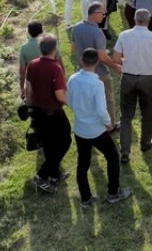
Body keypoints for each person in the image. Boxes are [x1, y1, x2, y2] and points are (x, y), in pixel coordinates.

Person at [68, 48, 131, 207]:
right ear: (97, 62)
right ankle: (113, 192)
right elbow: (102, 109)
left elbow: (69, 100)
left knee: (83, 163)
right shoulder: (96, 83)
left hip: (80, 129)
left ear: (82, 60)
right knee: (112, 156)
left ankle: (85, 198)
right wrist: (108, 123)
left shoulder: (72, 79)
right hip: (96, 129)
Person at [112, 8, 152, 164]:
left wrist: (126, 61)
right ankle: (145, 143)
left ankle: (125, 151)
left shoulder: (124, 35)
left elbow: (115, 58)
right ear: (148, 21)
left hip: (128, 77)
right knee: (147, 113)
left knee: (126, 116)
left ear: (134, 19)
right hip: (147, 78)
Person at [23, 34, 70, 193]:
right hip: (53, 113)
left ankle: (54, 175)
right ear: (54, 49)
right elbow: (59, 94)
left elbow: (27, 89)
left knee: (50, 145)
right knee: (65, 141)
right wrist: (68, 102)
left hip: (37, 112)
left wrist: (30, 107)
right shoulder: (55, 67)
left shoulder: (32, 64)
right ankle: (41, 175)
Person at [71, 2, 121, 124]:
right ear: (95, 14)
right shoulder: (98, 32)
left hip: (82, 70)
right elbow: (102, 57)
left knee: (89, 100)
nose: (104, 16)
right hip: (99, 73)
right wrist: (115, 66)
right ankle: (111, 124)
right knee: (108, 99)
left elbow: (74, 48)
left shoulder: (76, 27)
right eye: (103, 13)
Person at [18, 20, 44, 98]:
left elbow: (22, 70)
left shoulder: (24, 48)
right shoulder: (49, 44)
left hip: (32, 83)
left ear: (29, 32)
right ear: (41, 30)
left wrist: (22, 88)